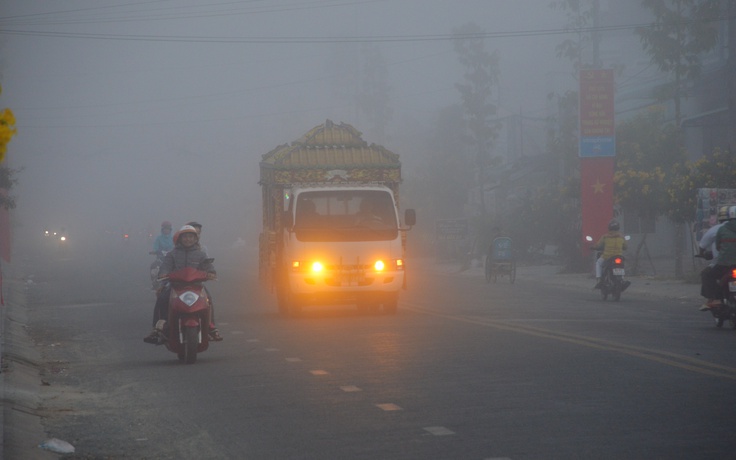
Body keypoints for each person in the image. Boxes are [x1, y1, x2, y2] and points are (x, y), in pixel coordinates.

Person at [144, 225, 223, 343]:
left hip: (196, 286)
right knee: (162, 298)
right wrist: (163, 274)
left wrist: (211, 273)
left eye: (191, 237)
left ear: (195, 239)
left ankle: (211, 327)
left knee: (208, 299)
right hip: (175, 286)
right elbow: (165, 267)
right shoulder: (172, 254)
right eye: (185, 237)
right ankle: (158, 328)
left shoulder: (201, 254)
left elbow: (208, 267)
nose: (188, 239)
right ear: (180, 239)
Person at [700, 206, 736, 311]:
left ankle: (713, 299)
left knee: (707, 274)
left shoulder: (720, 229)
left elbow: (718, 247)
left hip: (725, 264)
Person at [591, 219, 630, 290]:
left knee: (598, 263)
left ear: (609, 228)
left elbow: (598, 245)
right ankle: (622, 280)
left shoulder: (605, 237)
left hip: (607, 257)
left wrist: (593, 247)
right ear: (618, 228)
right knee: (621, 266)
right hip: (619, 256)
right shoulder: (621, 237)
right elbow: (625, 247)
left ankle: (599, 280)